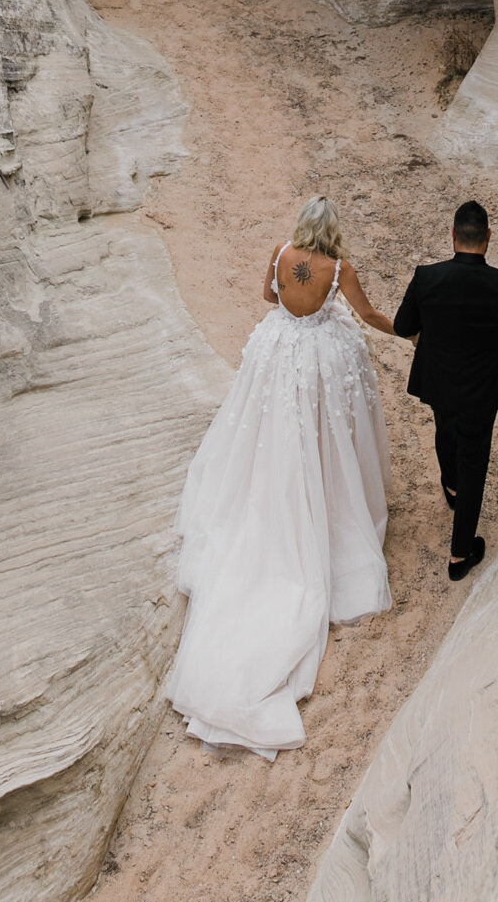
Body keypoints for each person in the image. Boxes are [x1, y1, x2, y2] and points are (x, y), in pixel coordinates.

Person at [167, 196, 398, 758]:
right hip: (319, 352)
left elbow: (269, 296)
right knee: (327, 427)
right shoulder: (339, 270)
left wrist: (292, 304)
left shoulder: (280, 252)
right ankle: (326, 494)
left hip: (280, 349)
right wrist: (409, 332)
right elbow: (366, 315)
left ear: (301, 228)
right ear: (334, 231)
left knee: (267, 424)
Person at [394, 198, 498, 581]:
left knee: (445, 429)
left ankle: (452, 486)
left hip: (438, 379)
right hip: (483, 387)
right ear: (488, 237)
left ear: (453, 235)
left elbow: (402, 323)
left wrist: (422, 338)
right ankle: (460, 555)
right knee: (474, 459)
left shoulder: (427, 277)